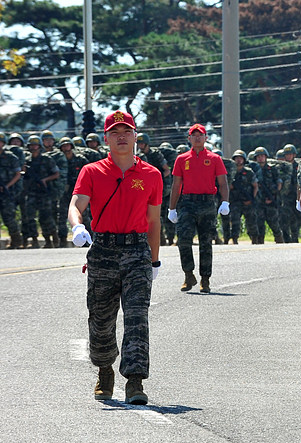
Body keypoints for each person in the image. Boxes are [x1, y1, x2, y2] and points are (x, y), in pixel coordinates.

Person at [67, 110, 163, 405]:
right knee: (101, 318)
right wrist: (78, 226)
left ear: (136, 136)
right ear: (106, 139)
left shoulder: (151, 174)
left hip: (136, 252)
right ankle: (104, 369)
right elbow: (76, 204)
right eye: (114, 132)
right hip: (104, 251)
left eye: (127, 132)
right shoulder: (92, 171)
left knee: (137, 317)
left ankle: (135, 381)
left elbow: (154, 221)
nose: (121, 137)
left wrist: (154, 260)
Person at [167, 124, 230, 293]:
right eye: (193, 135)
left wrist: (225, 202)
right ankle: (188, 274)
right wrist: (172, 208)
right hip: (187, 202)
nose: (197, 138)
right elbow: (176, 185)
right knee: (184, 239)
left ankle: (205, 279)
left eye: (200, 135)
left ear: (205, 138)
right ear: (189, 139)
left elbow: (223, 183)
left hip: (207, 202)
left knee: (206, 242)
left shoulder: (214, 158)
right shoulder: (182, 159)